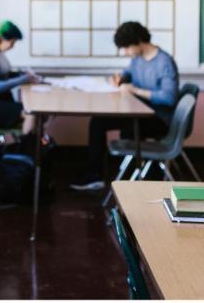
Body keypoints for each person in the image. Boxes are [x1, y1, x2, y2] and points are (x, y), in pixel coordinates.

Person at [70, 21, 179, 191]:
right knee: (98, 121)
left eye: (127, 47)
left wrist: (135, 90)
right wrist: (120, 78)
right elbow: (128, 73)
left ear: (139, 41)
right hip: (139, 113)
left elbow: (169, 98)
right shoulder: (138, 59)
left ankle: (126, 178)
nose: (126, 52)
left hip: (158, 119)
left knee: (120, 128)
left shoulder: (164, 62)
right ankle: (96, 176)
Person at [0, 20, 42, 133]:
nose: (12, 46)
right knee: (31, 114)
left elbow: (4, 74)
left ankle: (33, 142)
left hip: (3, 100)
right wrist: (24, 79)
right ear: (2, 39)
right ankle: (26, 144)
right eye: (12, 42)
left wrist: (21, 74)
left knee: (36, 110)